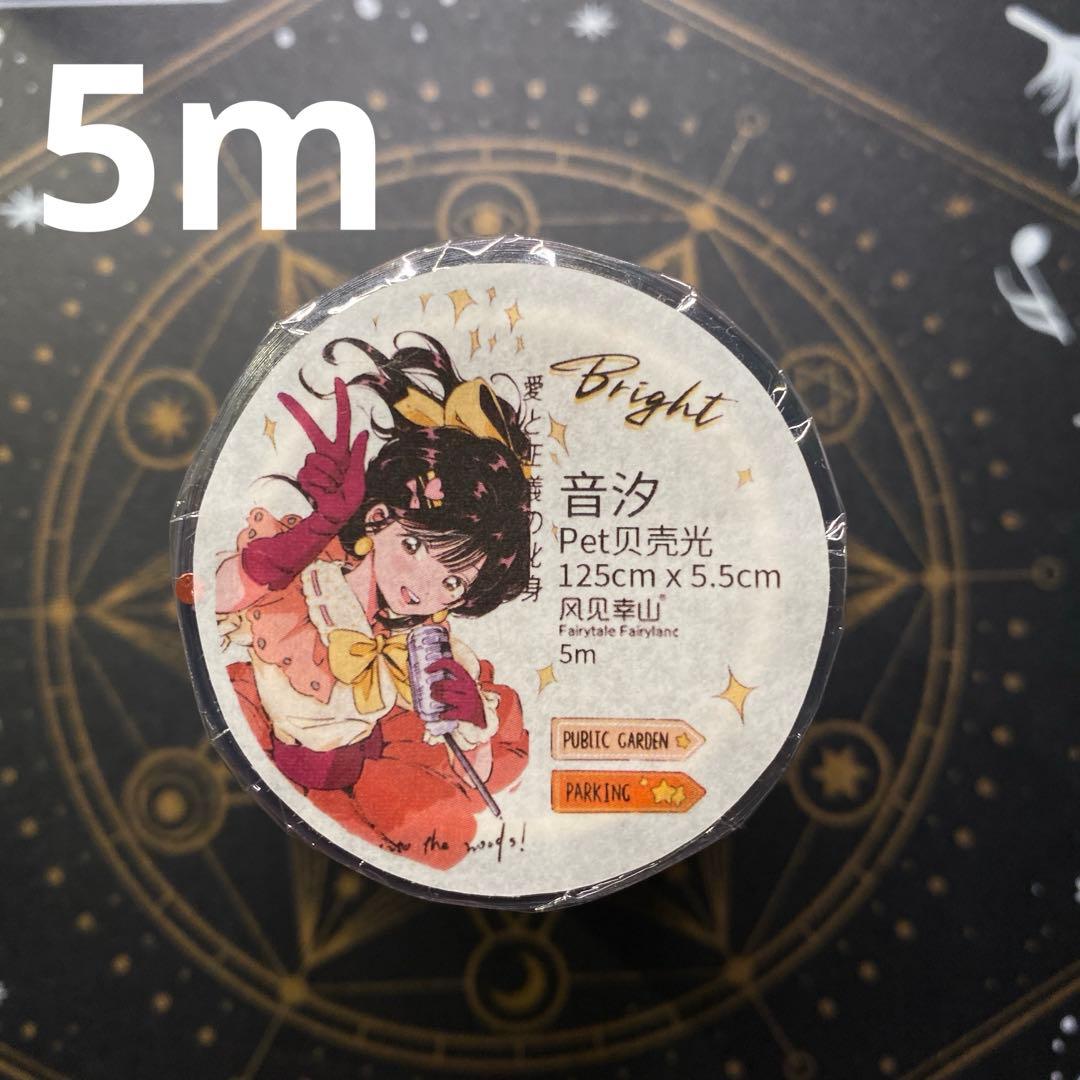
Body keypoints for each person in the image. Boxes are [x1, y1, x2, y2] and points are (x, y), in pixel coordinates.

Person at [215, 333, 531, 869]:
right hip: (254, 771)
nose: (426, 586)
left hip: (358, 789)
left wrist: (472, 719)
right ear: (379, 518)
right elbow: (222, 593)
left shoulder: (424, 646)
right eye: (416, 547)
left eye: (454, 583)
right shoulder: (308, 582)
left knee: (447, 839)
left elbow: (474, 777)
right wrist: (320, 524)